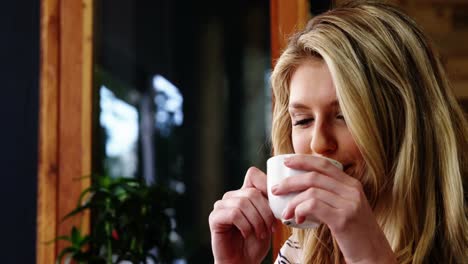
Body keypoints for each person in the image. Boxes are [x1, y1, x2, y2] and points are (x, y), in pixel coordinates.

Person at [208, 1, 468, 263]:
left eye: (344, 116)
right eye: (303, 120)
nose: (319, 144)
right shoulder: (301, 252)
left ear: (405, 123)